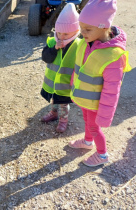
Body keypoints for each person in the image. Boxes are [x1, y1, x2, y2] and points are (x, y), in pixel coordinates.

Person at [68, 0, 132, 167]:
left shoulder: (113, 56)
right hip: (85, 99)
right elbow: (79, 68)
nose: (82, 33)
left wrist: (105, 115)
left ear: (104, 27)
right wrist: (73, 84)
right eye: (81, 27)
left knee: (95, 127)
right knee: (86, 121)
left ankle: (102, 155)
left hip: (96, 104)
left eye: (88, 29)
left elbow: (112, 90)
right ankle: (88, 142)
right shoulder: (86, 42)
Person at [41, 3, 81, 133]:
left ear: (75, 32)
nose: (61, 37)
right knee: (54, 99)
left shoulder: (78, 45)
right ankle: (53, 113)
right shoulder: (53, 42)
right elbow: (46, 57)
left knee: (64, 104)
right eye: (59, 33)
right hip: (53, 81)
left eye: (66, 34)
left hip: (66, 83)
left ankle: (63, 120)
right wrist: (54, 48)